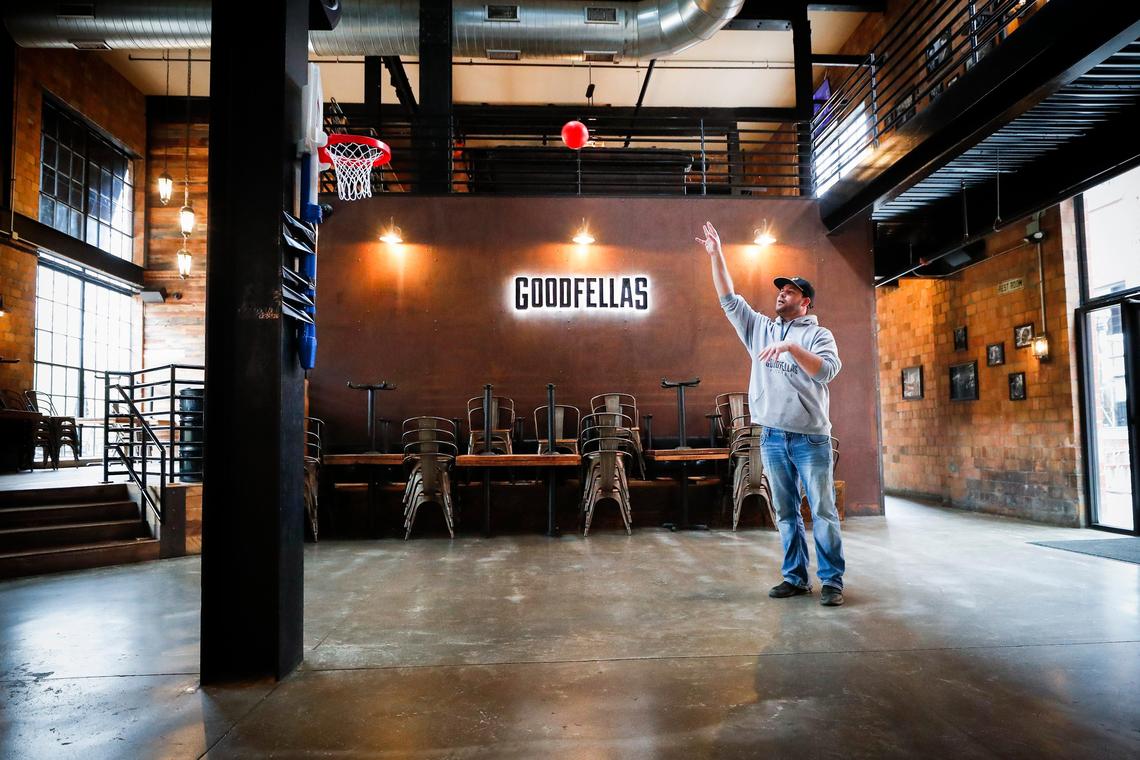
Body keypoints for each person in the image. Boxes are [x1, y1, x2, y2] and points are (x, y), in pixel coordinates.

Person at [696, 221, 847, 607]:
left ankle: (832, 581)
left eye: (791, 290)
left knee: (824, 513)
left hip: (811, 439)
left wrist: (791, 349)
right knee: (785, 512)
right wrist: (717, 255)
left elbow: (827, 371)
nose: (782, 293)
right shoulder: (759, 329)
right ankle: (795, 577)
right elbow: (729, 298)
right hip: (773, 437)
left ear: (805, 301)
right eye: (781, 289)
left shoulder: (818, 335)